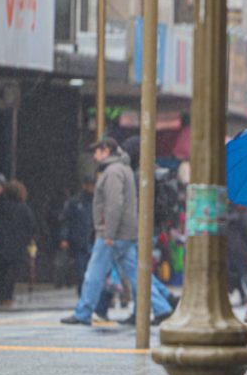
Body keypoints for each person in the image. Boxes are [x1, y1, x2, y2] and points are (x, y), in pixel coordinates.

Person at [61, 139, 174, 326]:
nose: (94, 156)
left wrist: (109, 233)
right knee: (136, 274)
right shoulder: (123, 169)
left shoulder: (113, 172)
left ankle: (83, 312)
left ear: (106, 151)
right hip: (125, 232)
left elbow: (114, 204)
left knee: (94, 272)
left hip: (113, 234)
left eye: (97, 151)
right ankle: (162, 307)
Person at [0, 180, 36, 309]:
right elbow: (32, 227)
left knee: (0, 270)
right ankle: (7, 297)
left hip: (0, 244)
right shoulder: (24, 208)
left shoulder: (0, 206)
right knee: (12, 272)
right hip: (17, 245)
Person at [59, 177, 95, 297]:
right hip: (80, 240)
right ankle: (83, 293)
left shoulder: (97, 201)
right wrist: (64, 237)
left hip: (93, 239)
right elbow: (66, 221)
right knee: (81, 270)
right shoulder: (75, 202)